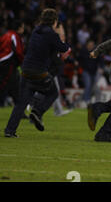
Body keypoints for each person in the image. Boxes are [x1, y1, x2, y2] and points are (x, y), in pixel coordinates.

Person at [4, 9, 70, 137]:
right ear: (54, 21)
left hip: (25, 70)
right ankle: (37, 112)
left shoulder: (35, 31)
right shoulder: (51, 34)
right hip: (39, 72)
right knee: (53, 92)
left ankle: (9, 130)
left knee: (21, 103)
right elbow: (64, 49)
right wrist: (61, 38)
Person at [0, 20, 25, 113]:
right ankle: (20, 111)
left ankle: (20, 111)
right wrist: (23, 62)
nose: (23, 29)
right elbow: (19, 52)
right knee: (6, 86)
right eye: (22, 27)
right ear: (19, 28)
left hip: (3, 63)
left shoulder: (6, 35)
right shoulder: (15, 36)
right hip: (8, 64)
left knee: (14, 87)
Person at [78, 40, 102, 106]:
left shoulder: (96, 52)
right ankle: (86, 101)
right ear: (87, 45)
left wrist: (101, 67)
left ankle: (83, 100)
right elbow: (79, 60)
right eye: (89, 45)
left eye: (92, 45)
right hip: (86, 71)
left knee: (91, 87)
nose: (91, 46)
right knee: (88, 85)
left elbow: (100, 60)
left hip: (94, 72)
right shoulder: (83, 52)